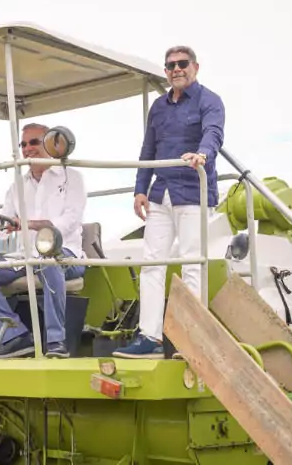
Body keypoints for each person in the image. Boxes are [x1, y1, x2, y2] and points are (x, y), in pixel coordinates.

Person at [114, 45, 225, 359]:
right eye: (170, 65)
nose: (176, 69)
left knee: (192, 263)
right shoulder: (159, 108)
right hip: (160, 193)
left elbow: (213, 133)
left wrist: (202, 155)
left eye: (182, 64)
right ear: (165, 71)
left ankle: (193, 339)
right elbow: (148, 148)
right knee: (151, 264)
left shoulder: (210, 101)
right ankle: (150, 337)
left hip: (193, 191)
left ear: (195, 67)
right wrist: (139, 189)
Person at [0, 122, 87, 359]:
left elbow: (68, 222)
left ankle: (56, 342)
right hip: (26, 256)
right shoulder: (17, 186)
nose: (28, 149)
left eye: (34, 142)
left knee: (48, 263)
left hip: (66, 253)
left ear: (51, 144)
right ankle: (15, 337)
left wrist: (27, 223)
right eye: (24, 144)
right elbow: (3, 228)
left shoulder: (72, 177)